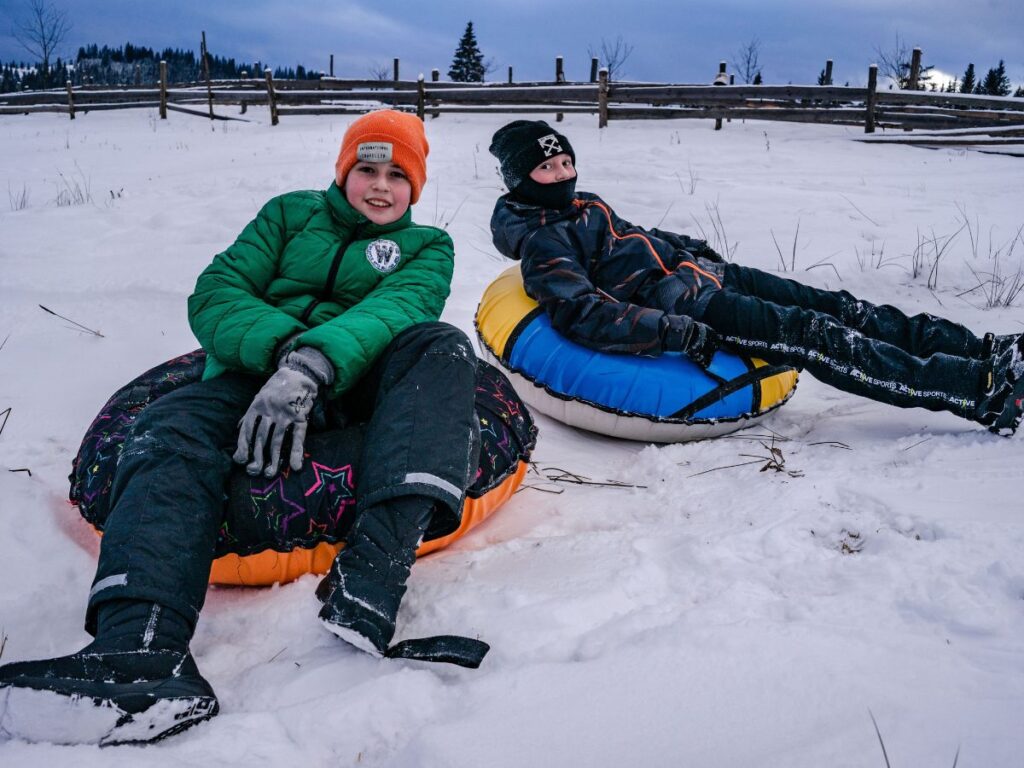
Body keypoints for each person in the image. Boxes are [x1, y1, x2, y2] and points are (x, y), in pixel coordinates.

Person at [0, 110, 483, 746]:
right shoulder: (288, 215)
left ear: (415, 187)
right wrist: (283, 355)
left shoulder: (428, 247)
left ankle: (370, 578)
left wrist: (314, 367)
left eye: (397, 174)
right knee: (165, 429)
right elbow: (217, 291)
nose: (379, 186)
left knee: (442, 345)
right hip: (251, 373)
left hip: (357, 385)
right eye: (366, 168)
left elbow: (399, 309)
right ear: (343, 172)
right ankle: (140, 653)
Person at [487, 119, 1024, 434]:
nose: (562, 175)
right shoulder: (543, 241)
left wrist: (688, 247)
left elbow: (632, 236)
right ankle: (979, 391)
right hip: (693, 308)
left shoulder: (585, 203)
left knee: (839, 305)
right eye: (546, 169)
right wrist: (673, 330)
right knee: (816, 338)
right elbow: (582, 312)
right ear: (521, 179)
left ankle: (983, 349)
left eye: (565, 164)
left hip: (708, 275)